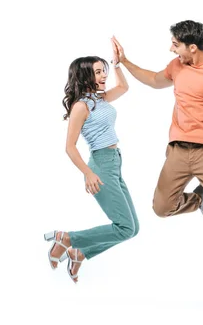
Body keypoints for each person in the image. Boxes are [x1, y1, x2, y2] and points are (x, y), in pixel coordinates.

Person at [112, 20, 203, 220]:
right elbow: (154, 80)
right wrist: (124, 61)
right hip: (178, 147)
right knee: (161, 209)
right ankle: (199, 198)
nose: (172, 49)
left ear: (193, 47)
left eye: (176, 44)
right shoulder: (177, 66)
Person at [44, 40, 138, 283]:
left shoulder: (100, 98)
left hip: (115, 162)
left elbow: (125, 87)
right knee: (125, 228)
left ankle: (80, 253)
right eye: (98, 72)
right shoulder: (81, 106)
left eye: (103, 70)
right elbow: (69, 146)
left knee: (133, 229)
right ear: (86, 75)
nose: (103, 75)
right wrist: (87, 173)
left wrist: (117, 63)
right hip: (101, 165)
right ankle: (67, 239)